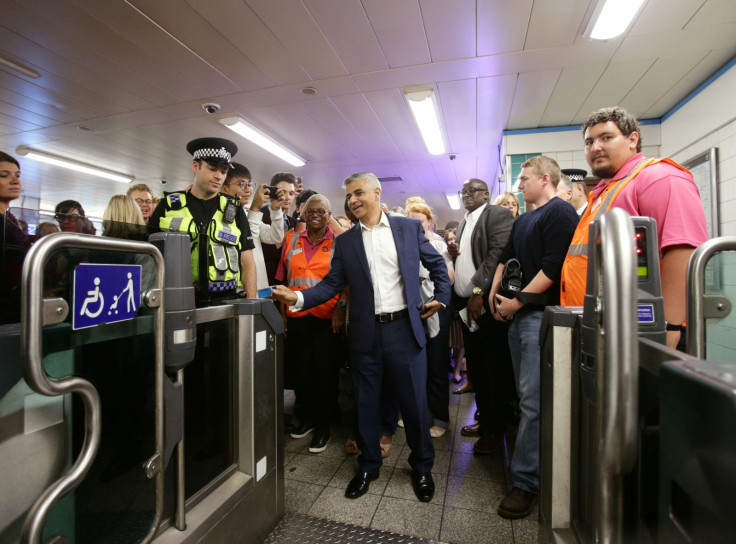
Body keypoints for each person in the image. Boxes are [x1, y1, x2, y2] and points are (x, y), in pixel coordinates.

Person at [272, 172, 450, 503]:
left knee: (413, 405)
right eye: (348, 195)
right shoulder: (347, 241)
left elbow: (437, 265)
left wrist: (441, 296)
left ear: (376, 192)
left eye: (358, 193)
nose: (353, 200)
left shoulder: (407, 229)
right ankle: (367, 466)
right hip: (366, 335)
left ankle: (422, 468)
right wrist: (297, 299)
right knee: (366, 405)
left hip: (404, 332)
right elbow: (330, 284)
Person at [559, 106, 709, 349]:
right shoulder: (605, 191)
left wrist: (668, 328)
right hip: (608, 326)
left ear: (632, 140)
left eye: (606, 138)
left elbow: (683, 251)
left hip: (652, 330)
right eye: (589, 142)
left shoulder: (659, 177)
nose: (595, 147)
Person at [490, 155, 579, 519]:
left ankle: (526, 482)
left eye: (524, 179)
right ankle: (527, 469)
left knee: (533, 401)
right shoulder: (524, 218)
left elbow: (553, 267)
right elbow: (506, 258)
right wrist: (496, 293)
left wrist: (518, 301)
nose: (519, 185)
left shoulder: (559, 213)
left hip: (538, 316)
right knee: (525, 397)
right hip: (516, 315)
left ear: (545, 179)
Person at [447, 178, 515, 456]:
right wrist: (455, 254)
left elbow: (497, 254)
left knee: (492, 371)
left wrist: (478, 290)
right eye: (463, 191)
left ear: (486, 194)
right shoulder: (464, 220)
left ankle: (495, 432)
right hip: (465, 305)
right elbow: (471, 256)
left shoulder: (496, 214)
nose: (466, 195)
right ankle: (485, 422)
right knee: (477, 369)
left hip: (484, 305)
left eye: (472, 190)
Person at [275, 194, 345, 453]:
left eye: (321, 212)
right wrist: (283, 315)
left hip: (326, 318)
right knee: (301, 372)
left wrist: (341, 308)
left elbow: (346, 281)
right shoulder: (291, 240)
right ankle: (305, 419)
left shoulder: (339, 242)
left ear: (329, 215)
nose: (315, 215)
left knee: (325, 375)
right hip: (295, 317)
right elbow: (284, 280)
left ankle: (323, 427)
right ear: (303, 214)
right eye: (310, 211)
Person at [148, 137, 256, 301]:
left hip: (225, 299)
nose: (219, 176)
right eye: (212, 169)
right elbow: (150, 257)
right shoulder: (168, 206)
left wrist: (251, 301)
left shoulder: (234, 209)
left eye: (223, 171)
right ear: (195, 166)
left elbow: (247, 260)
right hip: (177, 298)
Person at [406, 201, 454, 438]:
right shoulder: (403, 246)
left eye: (421, 222)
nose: (417, 226)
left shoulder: (438, 244)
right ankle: (414, 413)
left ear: (429, 223)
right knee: (413, 365)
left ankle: (440, 417)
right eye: (411, 222)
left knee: (436, 364)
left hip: (435, 308)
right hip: (411, 309)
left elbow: (450, 277)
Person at [220, 163, 285, 291]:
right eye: (241, 184)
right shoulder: (222, 216)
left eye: (249, 184)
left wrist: (276, 210)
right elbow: (249, 243)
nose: (248, 190)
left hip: (259, 287)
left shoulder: (246, 213)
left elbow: (275, 237)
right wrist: (255, 208)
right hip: (241, 290)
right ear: (224, 188)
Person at [0, 151, 27, 324]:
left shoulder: (10, 219)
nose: (15, 181)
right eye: (4, 175)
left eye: (17, 175)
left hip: (16, 303)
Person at [261, 172, 298, 285]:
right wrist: (284, 238)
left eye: (291, 193)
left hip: (286, 282)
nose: (287, 197)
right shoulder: (259, 217)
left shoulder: (293, 223)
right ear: (273, 192)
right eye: (283, 192)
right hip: (264, 280)